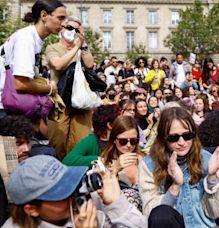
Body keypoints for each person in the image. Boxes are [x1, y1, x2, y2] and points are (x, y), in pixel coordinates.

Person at [138, 107, 219, 227]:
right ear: (163, 138)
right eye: (173, 138)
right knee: (161, 214)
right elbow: (152, 214)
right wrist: (175, 186)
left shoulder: (206, 158)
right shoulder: (149, 164)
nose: (182, 142)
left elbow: (216, 212)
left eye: (187, 136)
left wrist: (212, 177)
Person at [3, 155, 147, 228]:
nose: (73, 194)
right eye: (62, 193)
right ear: (31, 209)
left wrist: (116, 203)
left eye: (71, 183)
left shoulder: (81, 208)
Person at [0, 0, 64, 117]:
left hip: (9, 103)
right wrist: (50, 88)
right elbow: (21, 84)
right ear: (43, 16)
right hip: (5, 107)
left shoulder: (31, 37)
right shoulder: (26, 39)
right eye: (60, 18)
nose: (64, 24)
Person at [46, 15, 94, 160]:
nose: (72, 31)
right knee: (58, 141)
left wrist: (83, 45)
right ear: (62, 29)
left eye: (76, 29)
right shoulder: (52, 47)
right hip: (60, 102)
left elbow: (90, 65)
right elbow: (58, 65)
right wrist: (75, 49)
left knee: (81, 142)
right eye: (69, 27)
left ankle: (77, 173)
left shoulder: (81, 49)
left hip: (81, 102)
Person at [101, 115, 144, 211]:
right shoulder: (104, 163)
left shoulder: (144, 160)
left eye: (133, 141)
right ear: (114, 140)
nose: (129, 145)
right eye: (123, 141)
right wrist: (115, 170)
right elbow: (101, 195)